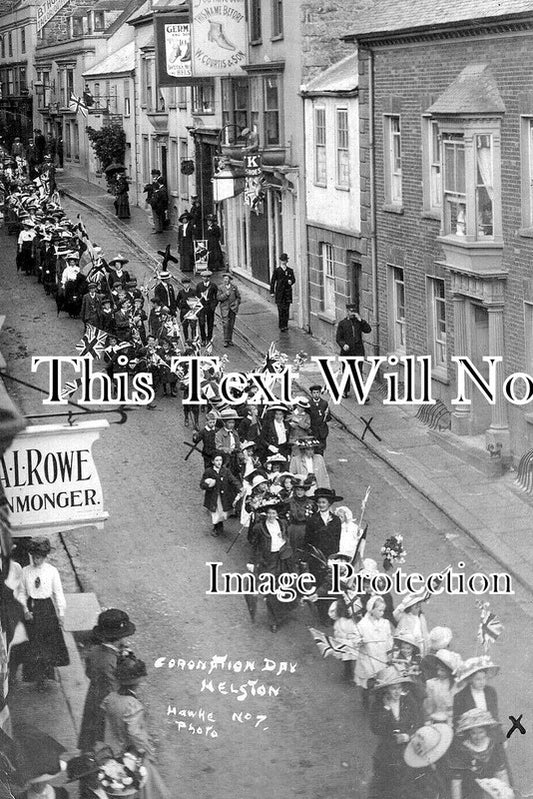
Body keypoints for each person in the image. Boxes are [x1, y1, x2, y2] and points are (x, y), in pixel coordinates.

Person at [101, 653, 171, 799]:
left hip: (112, 748)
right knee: (146, 788)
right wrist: (146, 750)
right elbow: (134, 733)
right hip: (131, 752)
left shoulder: (111, 697)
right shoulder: (133, 705)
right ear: (137, 682)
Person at [78, 608, 136, 751]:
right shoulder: (110, 660)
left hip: (94, 697)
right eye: (124, 636)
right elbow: (115, 689)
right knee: (106, 740)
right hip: (107, 705)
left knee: (91, 735)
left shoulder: (95, 651)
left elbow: (89, 672)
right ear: (118, 638)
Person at [18, 537, 69, 690]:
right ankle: (36, 677)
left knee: (48, 644)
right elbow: (22, 593)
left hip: (47, 609)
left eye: (39, 557)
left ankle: (48, 676)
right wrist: (25, 610)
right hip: (32, 608)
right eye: (34, 556)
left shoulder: (52, 571)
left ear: (45, 556)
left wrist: (61, 613)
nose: (36, 560)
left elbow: (58, 593)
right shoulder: (26, 571)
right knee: (34, 644)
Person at [367, 665, 422, 799]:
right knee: (385, 783)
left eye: (399, 688)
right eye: (393, 688)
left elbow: (418, 722)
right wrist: (386, 709)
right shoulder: (379, 705)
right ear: (386, 690)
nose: (397, 692)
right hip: (387, 750)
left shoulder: (408, 701)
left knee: (408, 782)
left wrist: (407, 735)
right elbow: (376, 728)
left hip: (407, 748)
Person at [248, 503, 295, 632]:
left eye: (273, 513)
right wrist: (252, 561)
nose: (271, 516)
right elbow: (255, 545)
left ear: (277, 514)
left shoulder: (283, 524)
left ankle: (284, 611)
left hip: (284, 558)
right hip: (269, 561)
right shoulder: (259, 527)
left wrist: (285, 544)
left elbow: (287, 538)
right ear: (265, 514)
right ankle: (273, 620)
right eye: (269, 513)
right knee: (271, 590)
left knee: (286, 585)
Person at [448, 709, 511, 799]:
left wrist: (506, 795)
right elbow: (456, 782)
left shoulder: (494, 746)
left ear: (486, 731)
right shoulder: (462, 750)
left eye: (481, 732)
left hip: (491, 791)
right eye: (473, 733)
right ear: (468, 733)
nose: (478, 737)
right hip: (470, 793)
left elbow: (501, 773)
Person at [355, 597, 394, 709]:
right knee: (367, 683)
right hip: (368, 657)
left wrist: (390, 652)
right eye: (379, 610)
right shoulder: (362, 625)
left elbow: (388, 638)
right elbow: (355, 639)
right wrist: (359, 642)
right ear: (371, 610)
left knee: (381, 682)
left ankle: (378, 703)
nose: (382, 613)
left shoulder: (385, 623)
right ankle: (365, 701)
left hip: (381, 657)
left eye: (383, 611)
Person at [335, 303, 372, 398]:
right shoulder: (342, 324)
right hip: (347, 353)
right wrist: (343, 345)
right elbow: (338, 338)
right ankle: (345, 390)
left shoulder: (359, 322)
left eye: (354, 311)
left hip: (358, 351)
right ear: (347, 312)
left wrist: (361, 320)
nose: (352, 314)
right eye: (351, 311)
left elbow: (368, 330)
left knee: (358, 371)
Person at [200, 453, 241, 536]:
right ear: (212, 461)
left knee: (222, 512)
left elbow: (233, 479)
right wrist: (209, 485)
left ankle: (219, 524)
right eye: (217, 460)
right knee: (215, 512)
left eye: (220, 460)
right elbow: (202, 484)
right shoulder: (209, 472)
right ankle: (216, 527)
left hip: (223, 496)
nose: (219, 462)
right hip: (213, 497)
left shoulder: (225, 471)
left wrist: (240, 487)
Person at [453, 657, 501, 728]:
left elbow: (494, 714)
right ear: (470, 679)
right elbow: (457, 720)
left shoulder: (491, 691)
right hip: (470, 732)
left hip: (490, 728)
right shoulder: (460, 696)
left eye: (484, 678)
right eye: (478, 679)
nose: (482, 682)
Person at [423, 649, 460, 726]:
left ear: (449, 671)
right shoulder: (432, 684)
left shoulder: (457, 685)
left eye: (442, 670)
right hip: (438, 718)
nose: (438, 673)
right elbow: (429, 706)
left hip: (455, 720)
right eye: (438, 669)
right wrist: (428, 719)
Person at [269, 253, 295, 332]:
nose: (284, 262)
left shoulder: (290, 270)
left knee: (286, 309)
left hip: (287, 293)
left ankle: (285, 325)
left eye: (285, 260)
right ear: (280, 261)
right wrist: (272, 292)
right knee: (280, 310)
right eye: (282, 260)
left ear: (287, 261)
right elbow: (273, 281)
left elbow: (293, 279)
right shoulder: (277, 270)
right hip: (280, 293)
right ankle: (281, 325)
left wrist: (291, 281)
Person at [218, 272, 241, 346]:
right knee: (225, 324)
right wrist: (225, 295)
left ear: (230, 280)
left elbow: (238, 297)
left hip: (232, 309)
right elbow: (218, 298)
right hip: (225, 309)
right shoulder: (220, 287)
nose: (225, 280)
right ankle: (225, 340)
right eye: (224, 279)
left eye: (227, 279)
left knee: (231, 324)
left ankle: (230, 339)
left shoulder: (234, 287)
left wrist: (236, 304)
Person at [196, 270, 218, 345]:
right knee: (201, 323)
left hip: (210, 307)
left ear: (209, 278)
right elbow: (197, 296)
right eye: (203, 277)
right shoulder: (199, 285)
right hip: (202, 307)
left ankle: (209, 338)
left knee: (210, 323)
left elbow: (216, 297)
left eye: (207, 277)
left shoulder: (213, 286)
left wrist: (213, 305)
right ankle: (203, 339)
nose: (205, 278)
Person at [308, 384, 331, 453]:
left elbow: (328, 418)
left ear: (320, 393)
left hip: (322, 431)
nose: (316, 395)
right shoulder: (309, 404)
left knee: (321, 451)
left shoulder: (324, 403)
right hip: (313, 431)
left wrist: (327, 415)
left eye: (317, 392)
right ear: (311, 394)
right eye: (314, 393)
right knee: (312, 450)